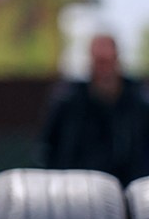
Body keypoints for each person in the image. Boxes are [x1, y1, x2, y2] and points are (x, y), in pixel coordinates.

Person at [41, 32, 148, 182]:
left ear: (117, 60)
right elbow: (49, 147)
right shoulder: (69, 100)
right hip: (78, 184)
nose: (104, 70)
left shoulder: (138, 101)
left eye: (108, 61)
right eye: (100, 62)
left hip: (127, 185)